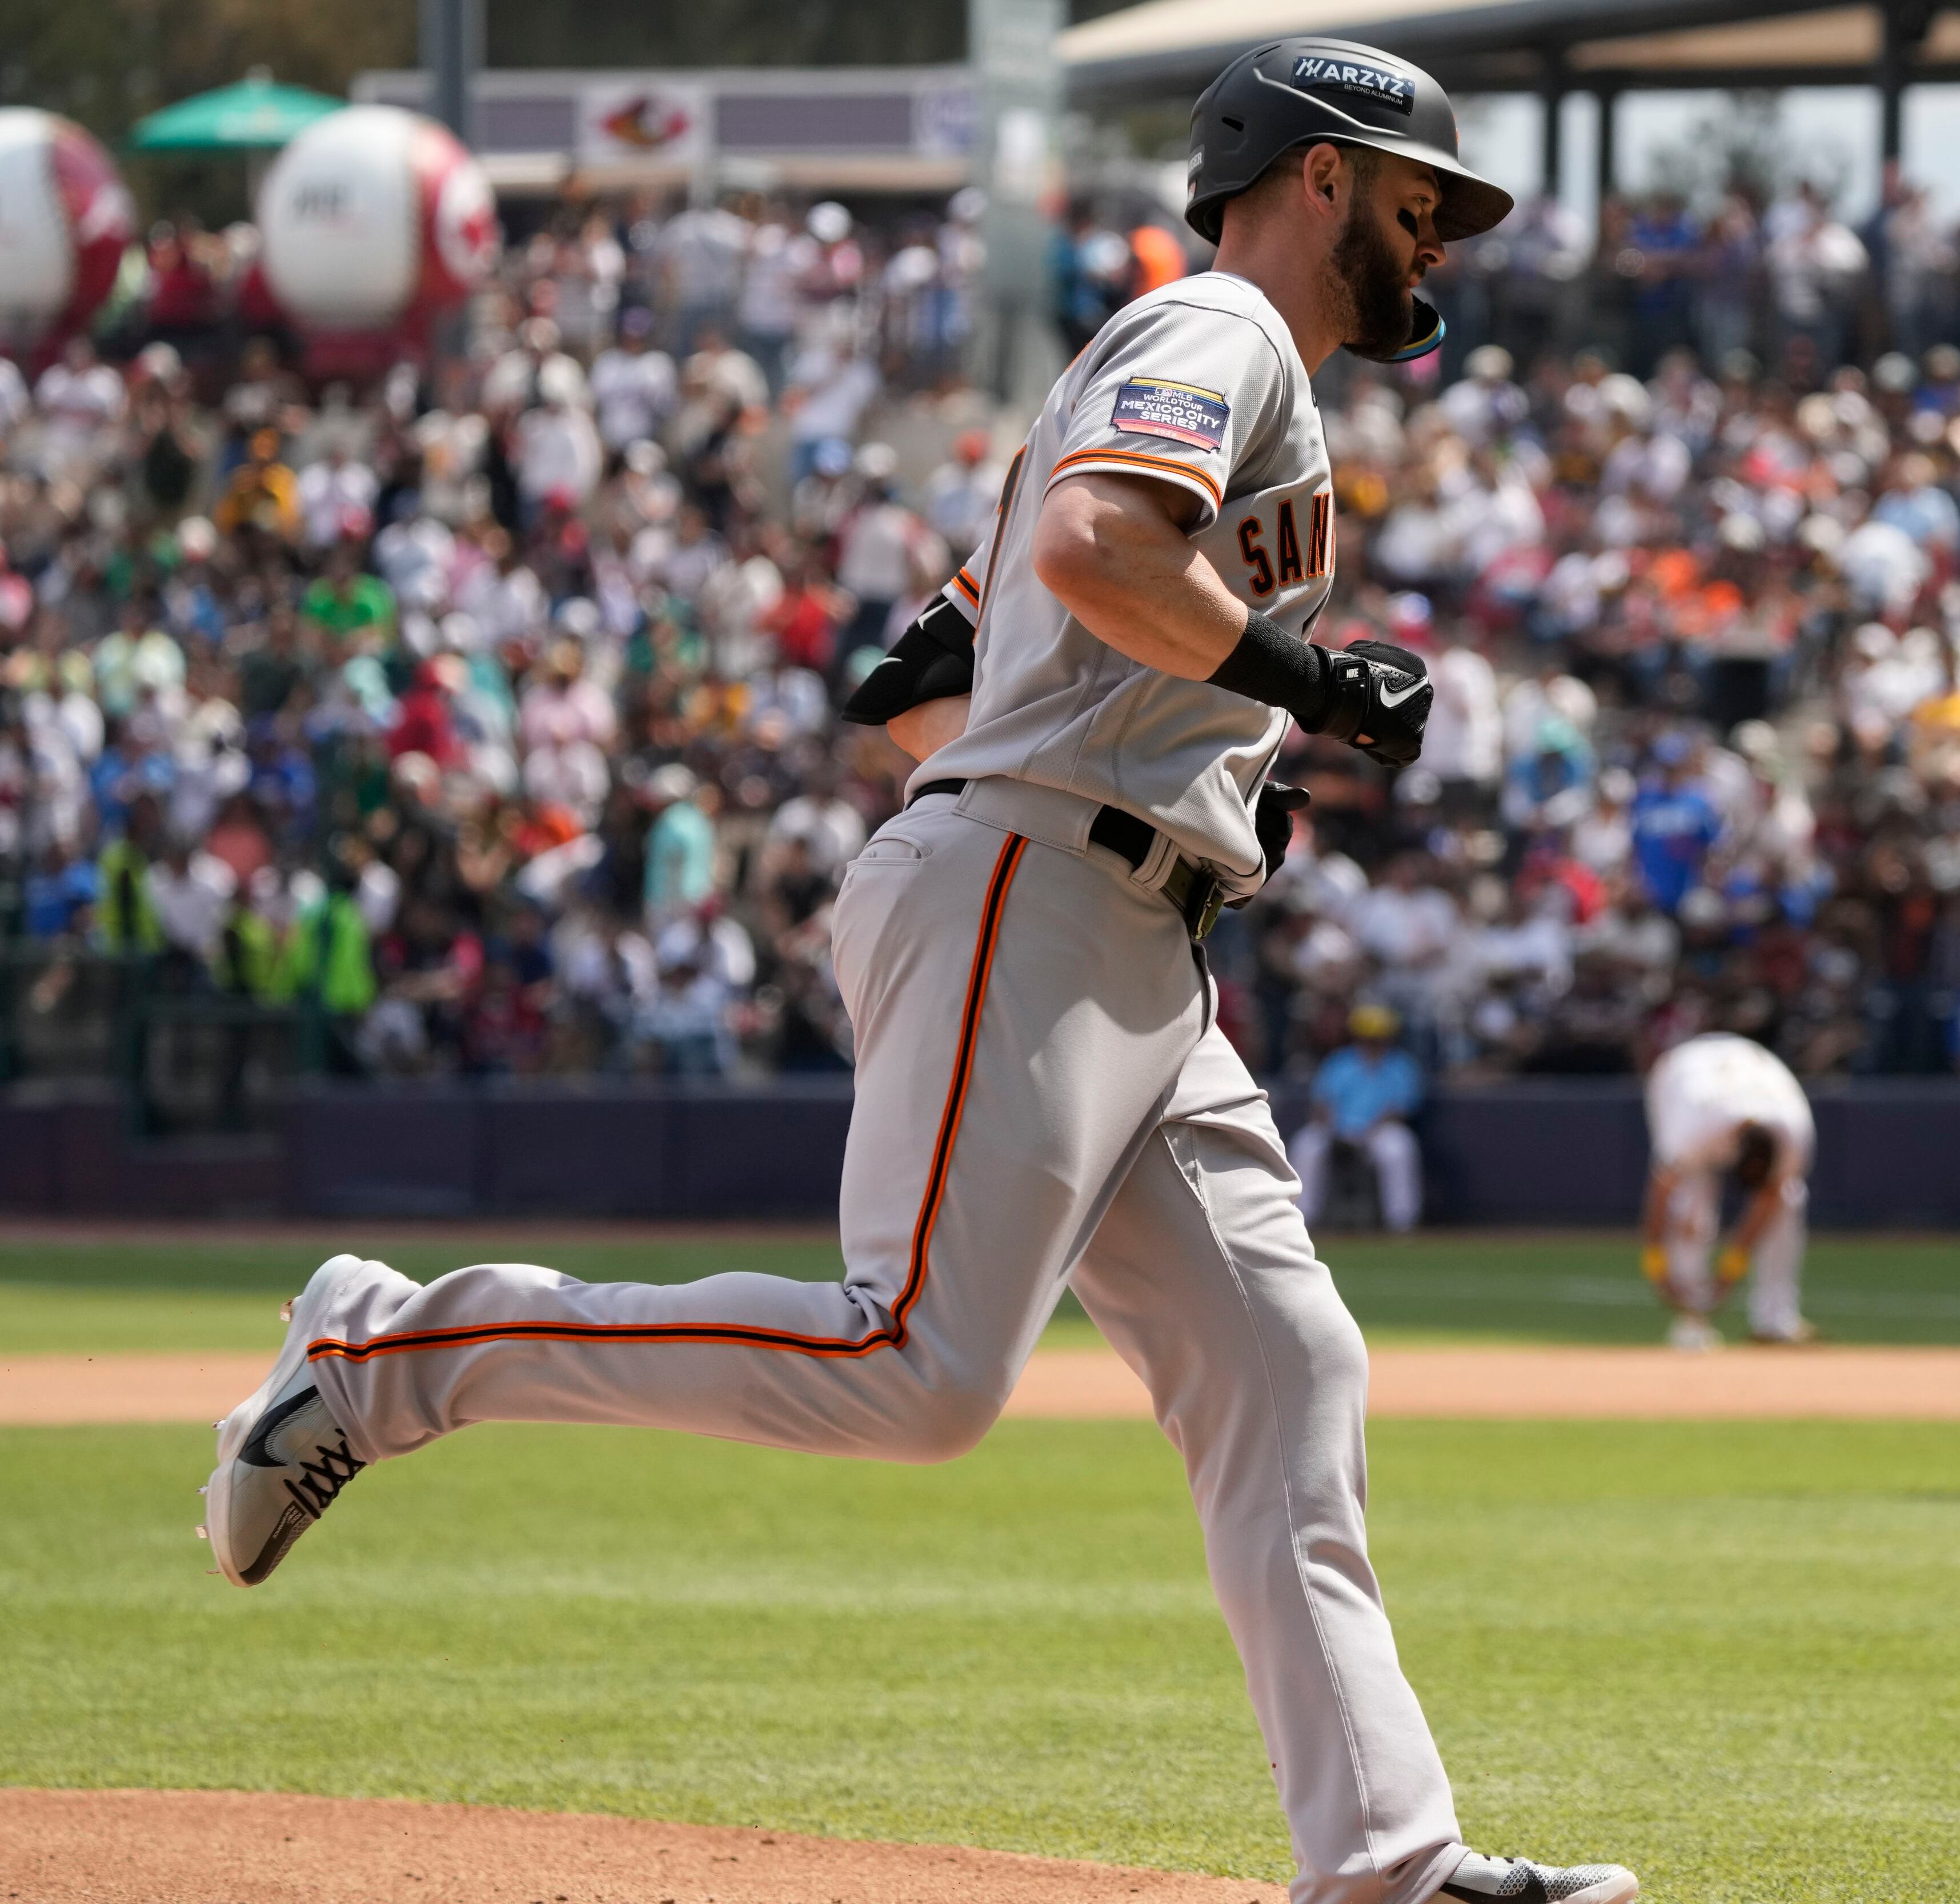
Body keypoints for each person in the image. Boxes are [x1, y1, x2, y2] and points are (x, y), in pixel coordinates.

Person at [200, 37, 1636, 1904]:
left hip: (1121, 930)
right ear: (1316, 180)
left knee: (1287, 1370)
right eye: (1419, 199)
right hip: (1039, 893)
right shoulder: (1223, 333)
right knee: (918, 1372)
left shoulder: (1185, 366)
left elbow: (912, 688)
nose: (1440, 242)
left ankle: (1385, 1860)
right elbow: (1095, 542)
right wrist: (1292, 686)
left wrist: (1111, 753)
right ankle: (390, 1353)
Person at [1638, 1031, 1816, 1352]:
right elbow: (1661, 1192)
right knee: (1692, 1201)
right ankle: (1692, 1316)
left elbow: (1770, 1199)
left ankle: (1775, 1322)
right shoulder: (1692, 1132)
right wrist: (1656, 1264)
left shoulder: (1796, 1133)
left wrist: (1730, 1270)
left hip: (1753, 1067)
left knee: (1790, 1198)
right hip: (1681, 1075)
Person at [1293, 1001, 1426, 1232]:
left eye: (1378, 1037)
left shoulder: (1401, 1065)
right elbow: (1322, 1103)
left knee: (1399, 1146)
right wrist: (1333, 1128)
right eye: (1368, 1038)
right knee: (1306, 1144)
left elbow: (1399, 1111)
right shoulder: (1340, 1062)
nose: (1373, 1043)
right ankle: (1302, 1219)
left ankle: (1402, 1222)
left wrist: (1366, 1133)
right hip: (1336, 1128)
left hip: (1378, 1131)